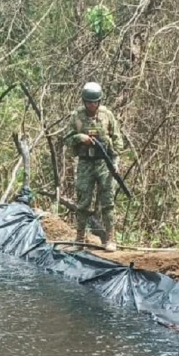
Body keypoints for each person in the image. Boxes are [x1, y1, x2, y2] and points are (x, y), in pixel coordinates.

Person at [63, 81, 124, 252]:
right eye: (89, 102)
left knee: (108, 202)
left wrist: (115, 161)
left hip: (105, 163)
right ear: (84, 101)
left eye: (96, 102)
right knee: (83, 202)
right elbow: (66, 139)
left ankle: (110, 239)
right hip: (85, 163)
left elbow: (118, 140)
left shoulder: (107, 115)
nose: (93, 105)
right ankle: (80, 238)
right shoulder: (77, 116)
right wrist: (80, 138)